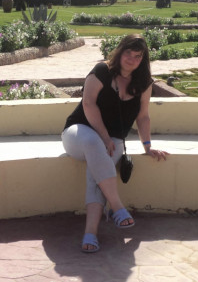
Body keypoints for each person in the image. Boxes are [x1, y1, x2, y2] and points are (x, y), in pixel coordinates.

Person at [62, 34, 169, 253]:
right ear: (120, 52)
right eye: (128, 53)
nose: (132, 59)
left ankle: (90, 234)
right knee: (93, 143)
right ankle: (118, 207)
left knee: (96, 175)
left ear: (143, 59)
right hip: (79, 133)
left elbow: (143, 116)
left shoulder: (144, 83)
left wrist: (148, 147)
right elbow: (88, 104)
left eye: (138, 56)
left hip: (113, 141)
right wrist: (104, 137)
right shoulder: (102, 71)